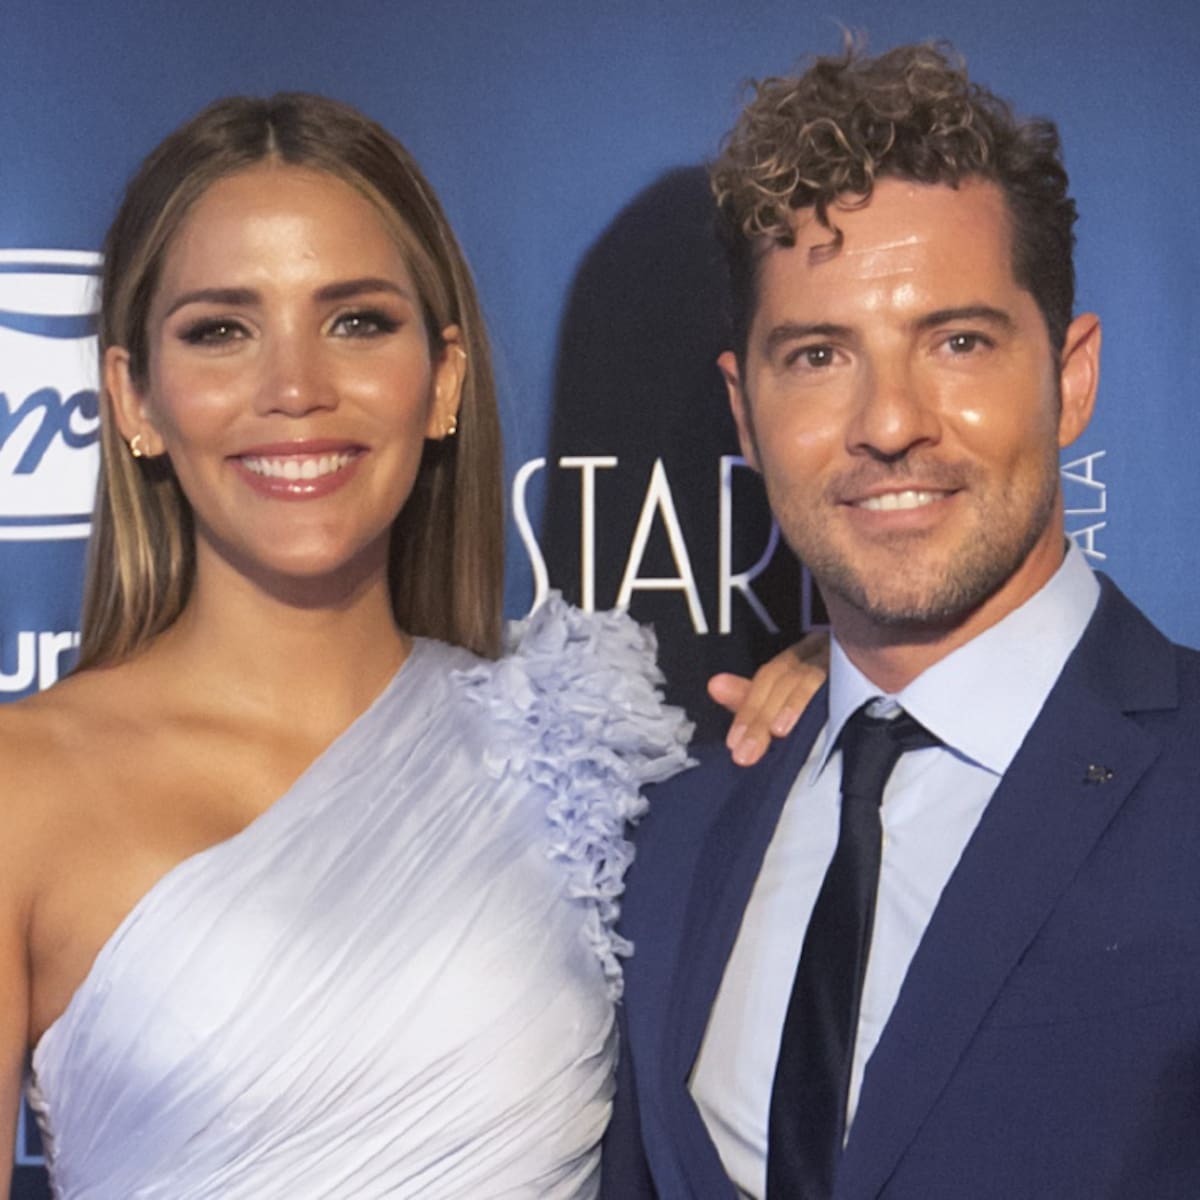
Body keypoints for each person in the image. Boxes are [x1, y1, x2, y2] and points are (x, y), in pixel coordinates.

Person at [0, 93, 821, 1199]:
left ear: (442, 380)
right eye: (221, 330)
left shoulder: (581, 762)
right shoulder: (19, 791)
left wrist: (857, 685)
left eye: (356, 322)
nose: (295, 389)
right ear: (133, 397)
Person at [604, 40, 1200, 1200]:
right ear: (745, 411)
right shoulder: (677, 838)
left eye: (958, 342)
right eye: (818, 354)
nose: (889, 422)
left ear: (1071, 376)